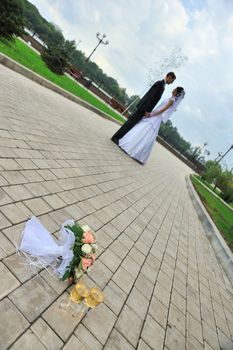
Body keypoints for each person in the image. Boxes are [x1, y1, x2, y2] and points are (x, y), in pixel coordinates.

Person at [118, 87, 185, 164]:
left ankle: (134, 150)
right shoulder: (170, 99)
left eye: (175, 89)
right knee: (142, 130)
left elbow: (162, 110)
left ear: (176, 92)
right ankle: (132, 147)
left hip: (156, 117)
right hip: (155, 115)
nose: (173, 89)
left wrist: (151, 114)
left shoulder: (171, 101)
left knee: (144, 131)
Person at [111, 72, 176, 144]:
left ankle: (118, 138)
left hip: (144, 108)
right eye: (172, 81)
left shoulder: (162, 85)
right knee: (130, 123)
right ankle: (116, 137)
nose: (172, 83)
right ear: (169, 77)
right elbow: (150, 97)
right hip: (144, 108)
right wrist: (146, 110)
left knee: (131, 123)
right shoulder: (159, 84)